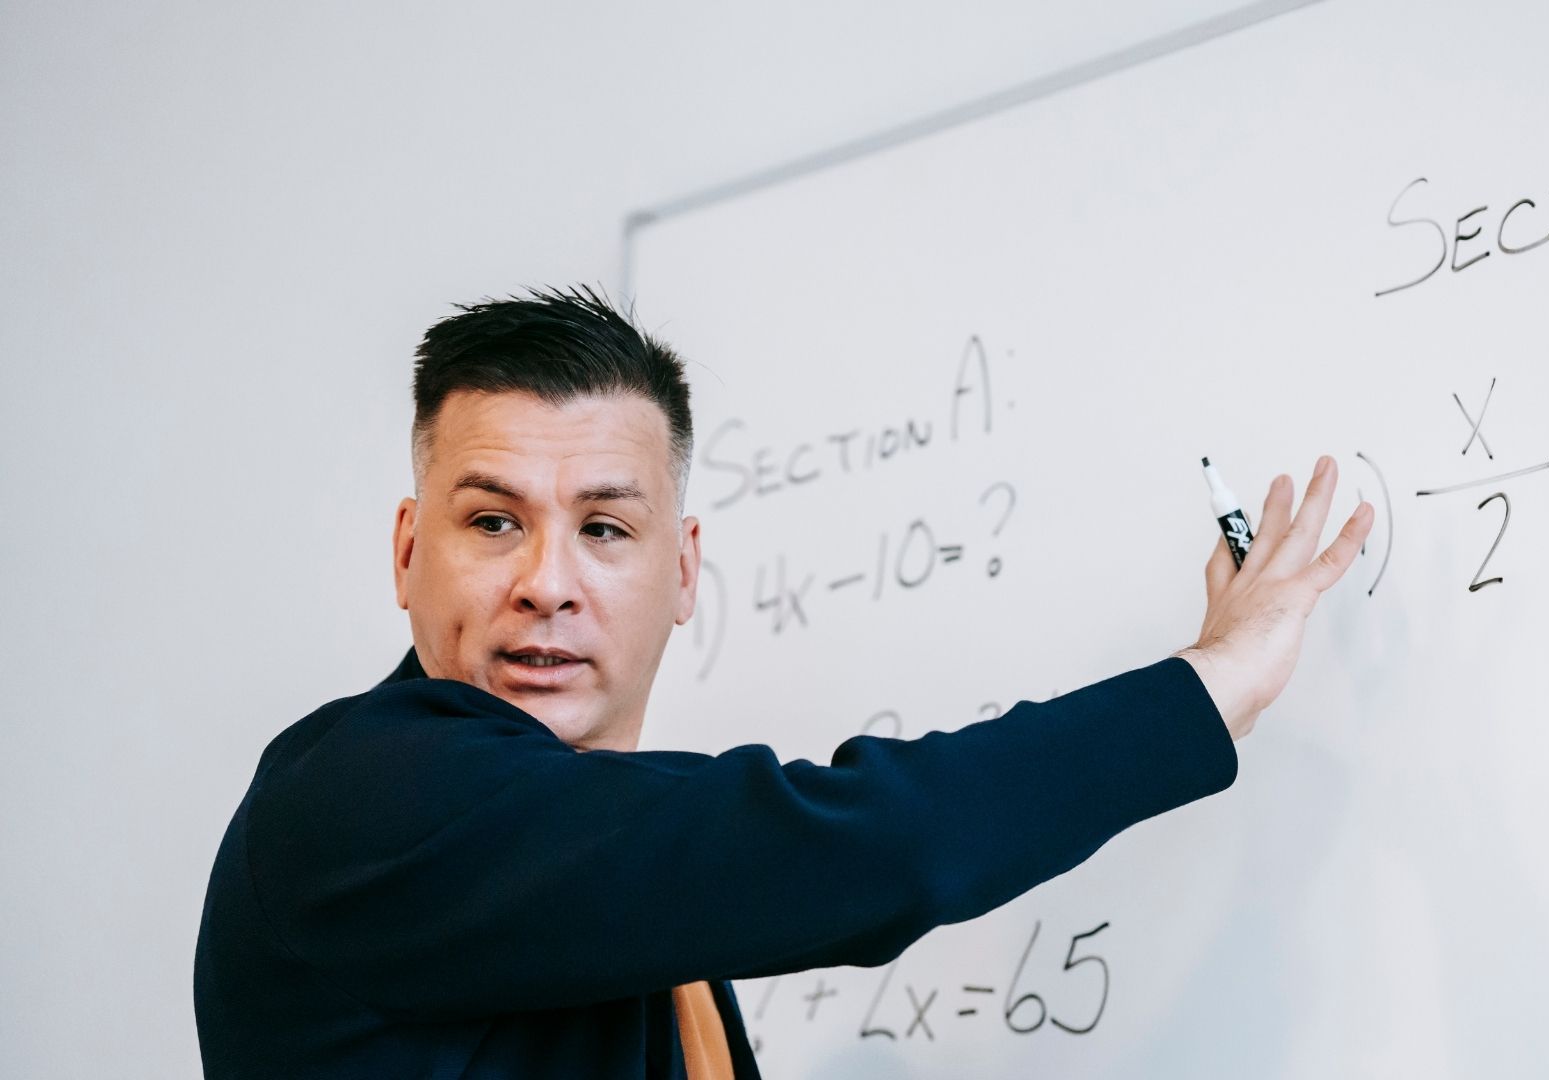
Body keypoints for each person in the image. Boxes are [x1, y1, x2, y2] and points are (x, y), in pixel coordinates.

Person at [192, 286, 1374, 1079]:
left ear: (683, 571)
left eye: (605, 529)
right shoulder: (360, 799)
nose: (547, 583)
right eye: (494, 521)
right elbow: (871, 847)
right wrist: (1210, 685)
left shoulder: (626, 903)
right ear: (408, 553)